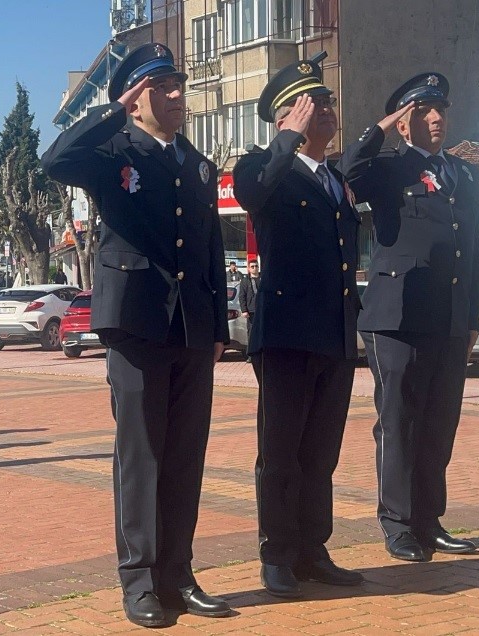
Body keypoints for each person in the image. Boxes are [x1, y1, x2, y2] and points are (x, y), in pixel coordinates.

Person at [41, 42, 232, 627]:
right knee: (142, 455)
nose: (177, 95)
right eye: (164, 86)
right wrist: (110, 111)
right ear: (138, 96)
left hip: (191, 328)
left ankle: (179, 572)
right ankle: (141, 580)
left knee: (185, 456)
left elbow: (210, 251)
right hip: (136, 321)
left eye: (179, 84)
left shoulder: (196, 164)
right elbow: (53, 162)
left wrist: (219, 325)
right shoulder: (112, 151)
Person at [232, 56, 364, 598]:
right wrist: (285, 139)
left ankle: (313, 548)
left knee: (321, 453)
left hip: (333, 333)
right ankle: (277, 555)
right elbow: (252, 196)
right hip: (286, 335)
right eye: (315, 103)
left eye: (329, 100)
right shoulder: (264, 167)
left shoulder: (333, 178)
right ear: (287, 115)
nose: (327, 110)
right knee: (281, 452)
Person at [339, 72, 479, 562]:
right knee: (399, 421)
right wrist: (381, 127)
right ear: (404, 123)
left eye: (441, 108)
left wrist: (471, 319)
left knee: (440, 421)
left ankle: (429, 519)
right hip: (396, 317)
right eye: (424, 110)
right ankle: (398, 523)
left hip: (447, 318)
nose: (438, 117)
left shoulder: (462, 175)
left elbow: (472, 252)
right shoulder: (387, 169)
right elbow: (350, 170)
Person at [238, 260, 259, 325]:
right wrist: (244, 310)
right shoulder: (245, 281)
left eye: (256, 266)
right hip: (251, 310)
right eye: (252, 266)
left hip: (263, 308)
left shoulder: (263, 279)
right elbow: (242, 296)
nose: (255, 268)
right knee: (251, 331)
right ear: (249, 268)